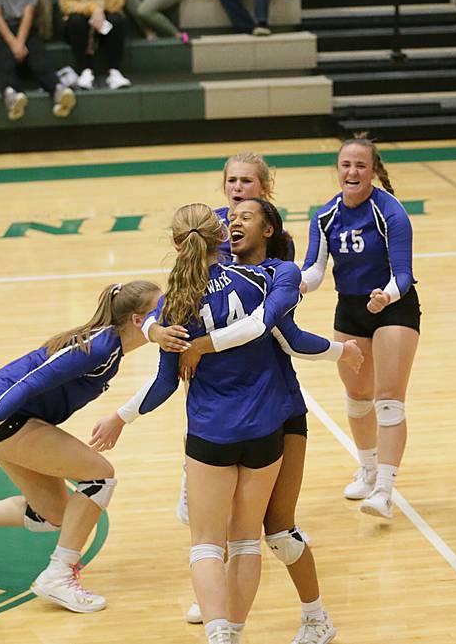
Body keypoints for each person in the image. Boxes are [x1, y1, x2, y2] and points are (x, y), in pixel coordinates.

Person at [146, 198, 361, 644]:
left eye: (246, 212)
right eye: (230, 211)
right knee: (231, 536)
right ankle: (225, 620)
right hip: (234, 419)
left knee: (277, 531)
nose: (235, 218)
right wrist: (153, 327)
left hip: (281, 413)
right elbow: (161, 305)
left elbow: (282, 333)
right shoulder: (216, 277)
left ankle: (314, 615)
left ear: (267, 228)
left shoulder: (274, 276)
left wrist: (202, 345)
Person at [92, 203, 295, 644]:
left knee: (206, 544)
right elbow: (289, 337)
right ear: (221, 234)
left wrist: (120, 417)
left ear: (175, 244)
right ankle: (237, 630)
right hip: (264, 428)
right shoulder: (264, 278)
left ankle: (220, 635)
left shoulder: (174, 304)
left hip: (210, 433)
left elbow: (165, 384)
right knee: (245, 542)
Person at [0, 280, 162, 614]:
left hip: (12, 415)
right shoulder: (99, 347)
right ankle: (58, 576)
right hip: (3, 414)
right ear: (139, 321)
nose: (170, 313)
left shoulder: (111, 350)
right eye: (162, 307)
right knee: (100, 476)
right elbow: (28, 385)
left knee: (53, 514)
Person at [300, 135, 421, 520]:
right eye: (346, 166)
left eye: (360, 166)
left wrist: (384, 296)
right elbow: (316, 268)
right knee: (356, 396)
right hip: (350, 309)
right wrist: (297, 283)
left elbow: (403, 274)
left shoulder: (390, 212)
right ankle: (367, 468)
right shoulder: (325, 216)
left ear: (372, 171)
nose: (352, 172)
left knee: (388, 398)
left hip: (393, 307)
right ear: (338, 170)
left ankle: (384, 488)